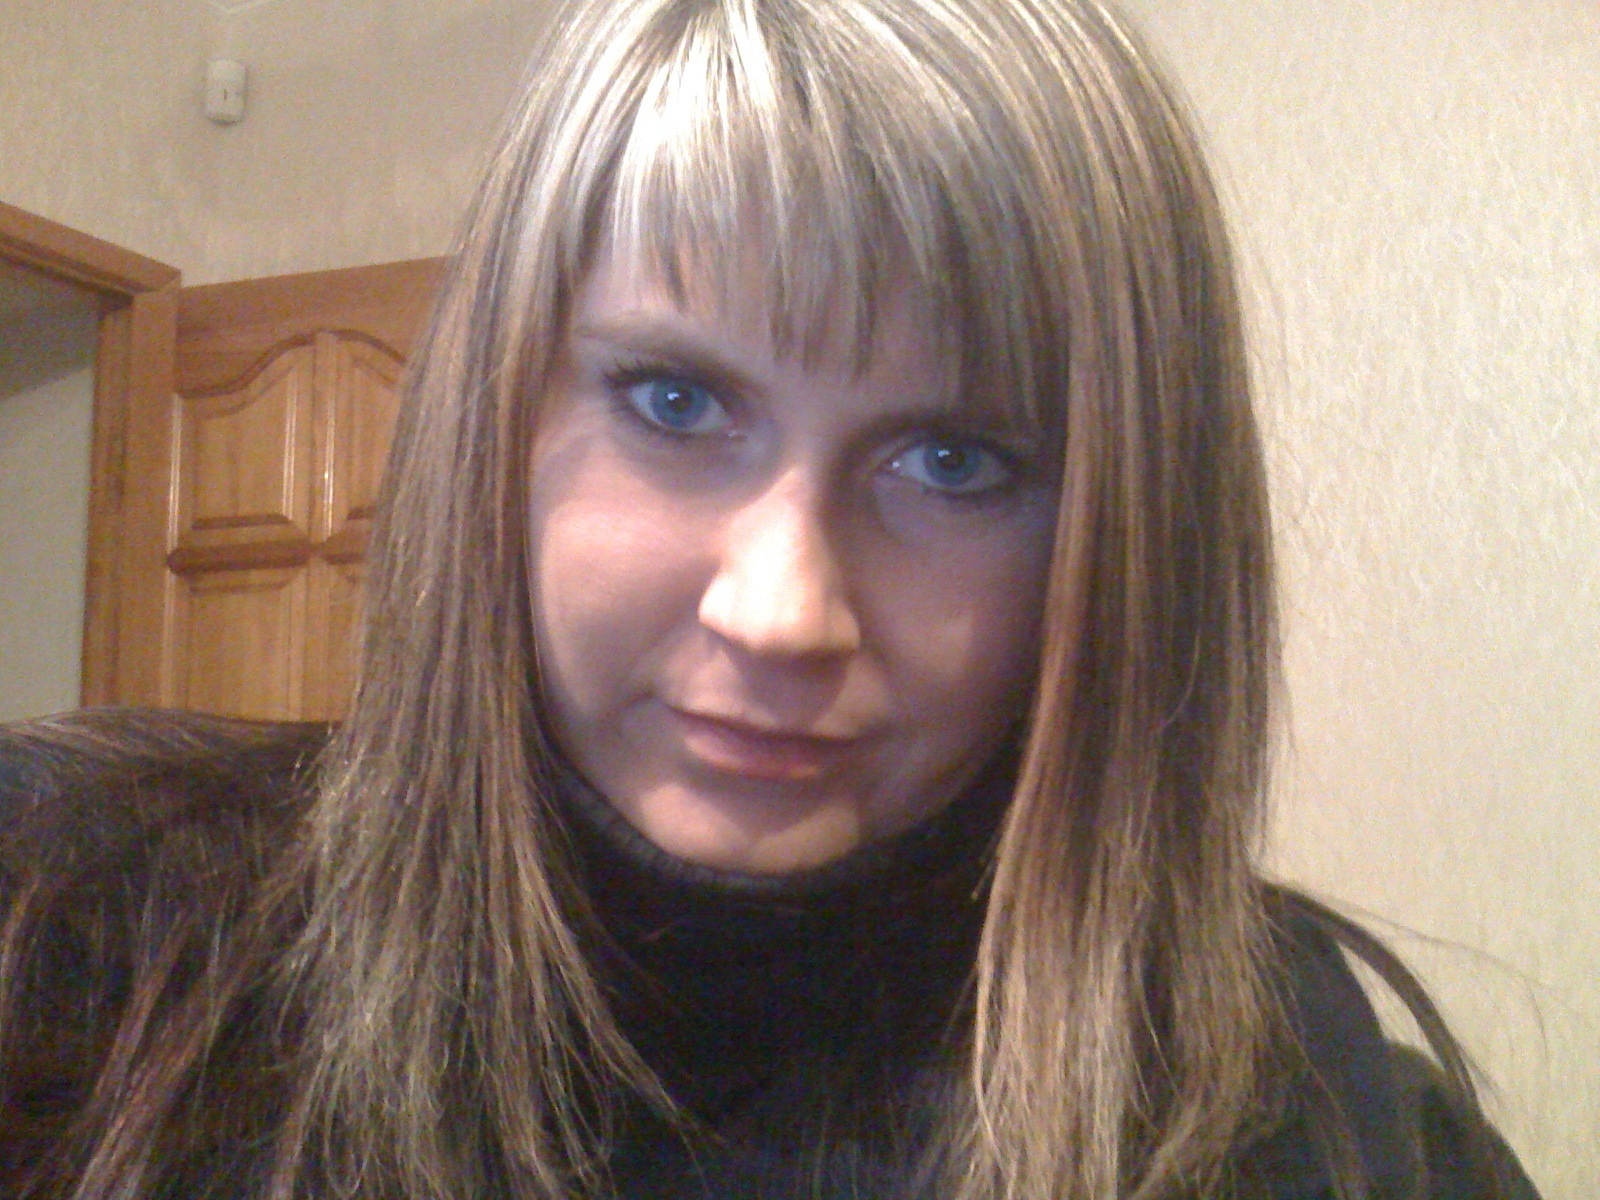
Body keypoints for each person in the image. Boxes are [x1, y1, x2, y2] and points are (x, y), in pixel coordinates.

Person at [0, 0, 1543, 1197]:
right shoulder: (75, 932)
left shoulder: (1314, 1122)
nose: (782, 613)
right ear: (498, 420)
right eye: (675, 402)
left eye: (954, 461)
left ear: (1128, 533)